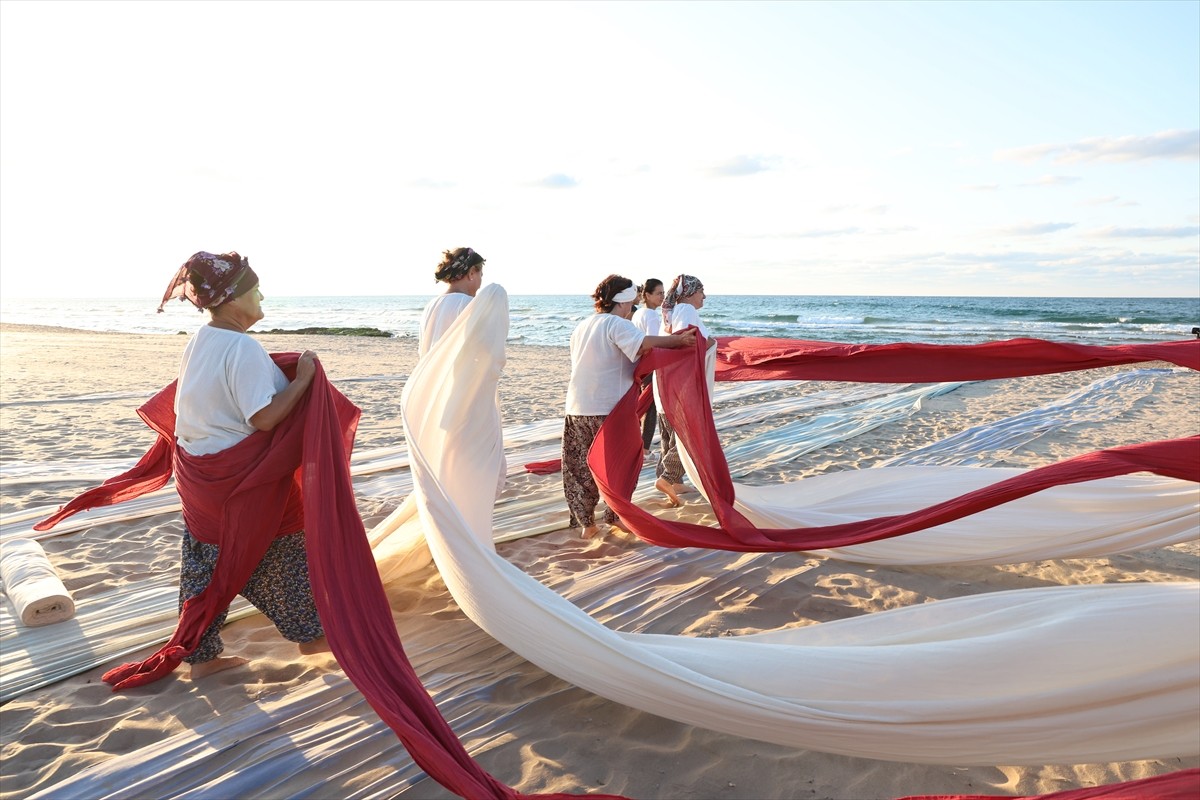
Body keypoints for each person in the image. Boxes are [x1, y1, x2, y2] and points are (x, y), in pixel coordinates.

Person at [158, 251, 328, 679]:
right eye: (256, 290)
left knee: (205, 559)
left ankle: (201, 658)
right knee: (286, 541)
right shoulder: (243, 347)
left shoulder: (202, 339)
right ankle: (311, 636)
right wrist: (303, 379)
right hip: (238, 481)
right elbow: (264, 417)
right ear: (233, 298)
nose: (262, 297)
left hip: (198, 477)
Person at [563, 275, 696, 539]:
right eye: (631, 300)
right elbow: (644, 344)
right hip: (608, 408)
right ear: (623, 302)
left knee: (579, 467)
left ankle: (587, 523)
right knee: (624, 462)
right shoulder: (617, 324)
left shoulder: (583, 325)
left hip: (576, 407)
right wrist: (678, 341)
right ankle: (615, 516)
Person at [655, 273, 713, 506]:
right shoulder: (686, 310)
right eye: (701, 291)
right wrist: (713, 343)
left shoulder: (669, 314)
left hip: (666, 383)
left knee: (669, 434)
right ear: (689, 293)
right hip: (681, 384)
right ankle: (668, 477)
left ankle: (674, 481)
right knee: (687, 433)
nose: (704, 296)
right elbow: (686, 342)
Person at [418, 247, 486, 358]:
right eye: (481, 275)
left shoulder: (431, 305)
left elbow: (423, 349)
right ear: (471, 273)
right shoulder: (468, 304)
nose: (480, 283)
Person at [630, 278, 665, 456]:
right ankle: (644, 449)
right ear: (648, 295)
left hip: (638, 363)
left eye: (663, 293)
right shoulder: (651, 315)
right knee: (649, 407)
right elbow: (654, 342)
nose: (662, 297)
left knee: (641, 405)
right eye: (659, 293)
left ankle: (637, 444)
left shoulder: (638, 313)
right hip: (649, 364)